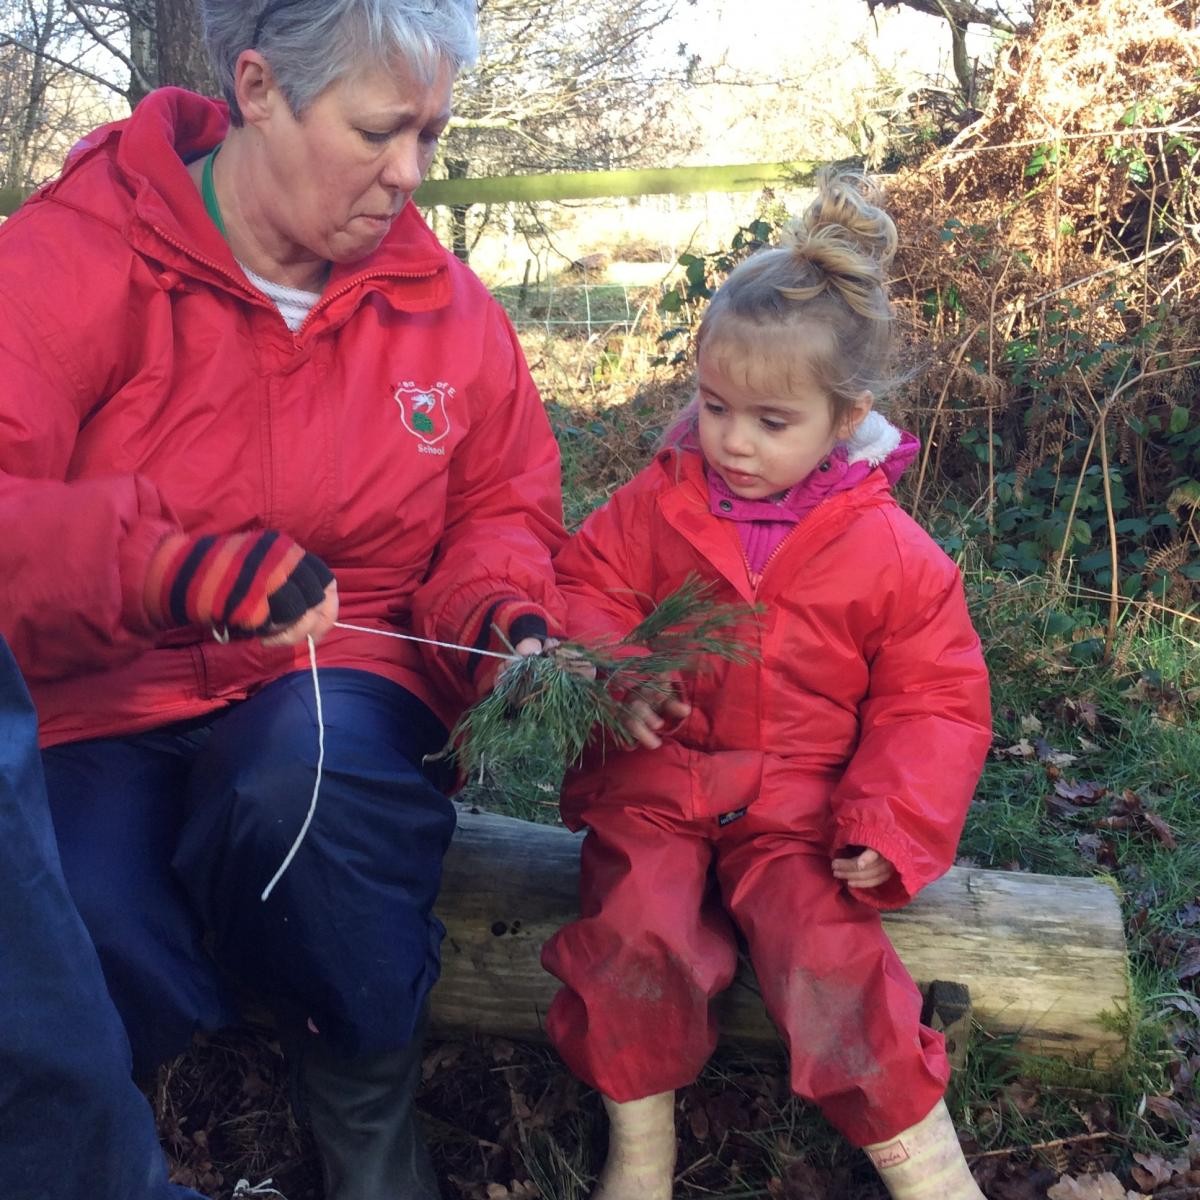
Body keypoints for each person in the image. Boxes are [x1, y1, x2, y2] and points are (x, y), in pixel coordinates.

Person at [0, 1, 566, 1197]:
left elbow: (499, 511)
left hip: (335, 673)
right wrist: (166, 568)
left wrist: (499, 617)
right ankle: (120, 1113)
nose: (408, 174)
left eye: (430, 134)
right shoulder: (71, 260)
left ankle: (362, 1095)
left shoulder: (445, 307)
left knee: (301, 792)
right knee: (82, 914)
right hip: (104, 691)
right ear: (259, 90)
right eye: (378, 131)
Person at [541, 171, 993, 1200]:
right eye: (714, 408)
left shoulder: (891, 553)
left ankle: (927, 1168)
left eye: (771, 420)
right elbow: (583, 588)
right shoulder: (656, 507)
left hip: (799, 807)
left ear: (846, 418)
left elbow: (932, 702)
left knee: (828, 958)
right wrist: (621, 674)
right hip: (656, 784)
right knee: (632, 933)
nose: (734, 441)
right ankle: (642, 1151)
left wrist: (889, 823)